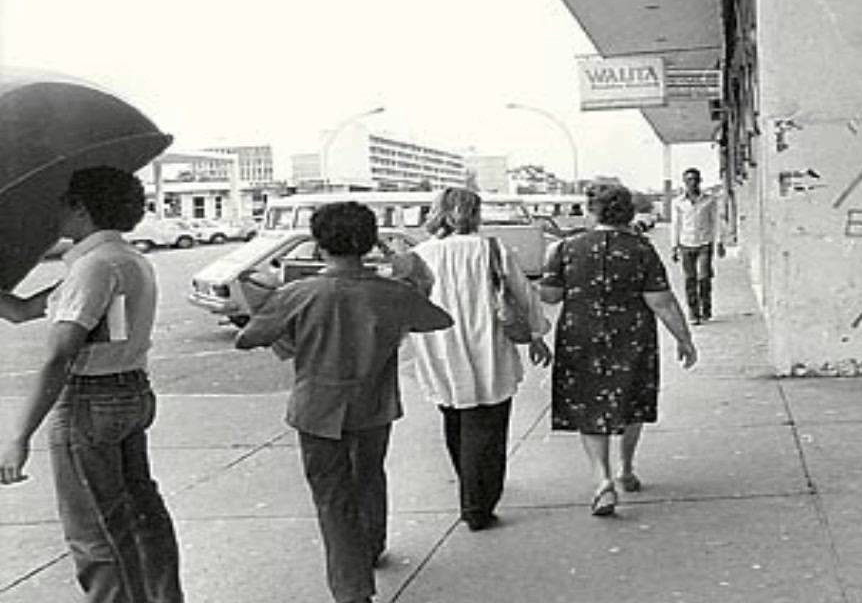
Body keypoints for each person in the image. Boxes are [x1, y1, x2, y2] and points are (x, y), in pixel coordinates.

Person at [234, 201, 452, 603]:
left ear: (319, 244)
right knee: (369, 476)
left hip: (317, 406)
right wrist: (416, 275)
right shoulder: (392, 293)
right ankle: (370, 545)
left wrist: (270, 308)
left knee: (332, 496)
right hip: (374, 404)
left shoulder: (297, 293)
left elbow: (247, 338)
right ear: (370, 242)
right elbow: (437, 319)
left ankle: (352, 589)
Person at [0, 166, 185, 602]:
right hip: (130, 393)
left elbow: (60, 354)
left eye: (63, 201)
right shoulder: (125, 259)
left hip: (90, 402)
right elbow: (22, 310)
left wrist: (18, 437)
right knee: (142, 517)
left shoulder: (94, 267)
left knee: (94, 534)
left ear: (81, 208)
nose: (57, 210)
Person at [541, 183, 697, 516]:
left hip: (580, 334)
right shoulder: (641, 250)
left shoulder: (566, 249)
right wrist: (684, 339)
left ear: (592, 211)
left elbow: (550, 296)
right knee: (630, 398)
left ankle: (602, 480)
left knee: (587, 403)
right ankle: (626, 469)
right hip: (632, 334)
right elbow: (662, 302)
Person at [407, 188, 552, 531]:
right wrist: (536, 334)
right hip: (486, 344)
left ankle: (470, 486)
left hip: (439, 346)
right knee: (488, 424)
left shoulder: (419, 255)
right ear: (473, 213)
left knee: (455, 417)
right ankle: (478, 503)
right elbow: (522, 293)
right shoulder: (490, 249)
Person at [671, 167, 725, 324]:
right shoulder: (678, 203)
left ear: (700, 181)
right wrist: (674, 246)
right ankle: (693, 312)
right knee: (690, 279)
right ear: (684, 182)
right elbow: (676, 224)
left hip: (704, 243)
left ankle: (706, 308)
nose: (692, 183)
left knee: (704, 277)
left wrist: (720, 241)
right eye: (689, 180)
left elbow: (716, 221)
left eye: (695, 179)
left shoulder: (709, 200)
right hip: (686, 244)